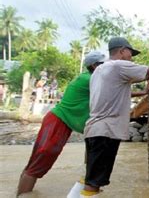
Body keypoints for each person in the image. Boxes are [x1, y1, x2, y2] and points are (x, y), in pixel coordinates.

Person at [81, 37, 149, 196]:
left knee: (89, 178)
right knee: (93, 183)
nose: (131, 57)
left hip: (94, 129)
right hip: (106, 131)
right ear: (122, 50)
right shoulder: (118, 65)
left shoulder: (99, 71)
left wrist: (144, 92)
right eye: (130, 53)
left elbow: (118, 92)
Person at [17, 51, 106, 196]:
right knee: (39, 163)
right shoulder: (90, 79)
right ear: (94, 66)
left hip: (59, 121)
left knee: (36, 162)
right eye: (103, 65)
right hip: (57, 121)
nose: (106, 69)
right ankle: (23, 194)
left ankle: (23, 194)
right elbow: (114, 87)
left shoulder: (89, 78)